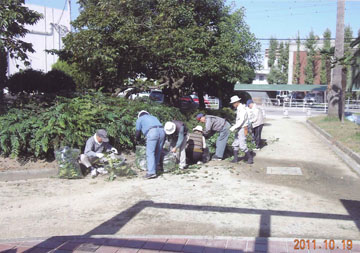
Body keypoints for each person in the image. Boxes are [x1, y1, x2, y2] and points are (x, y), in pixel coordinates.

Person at [136, 110, 165, 179]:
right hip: (162, 131)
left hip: (152, 132)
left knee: (150, 152)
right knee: (158, 151)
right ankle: (155, 169)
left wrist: (137, 140)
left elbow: (138, 132)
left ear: (139, 115)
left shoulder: (140, 119)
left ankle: (151, 172)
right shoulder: (154, 117)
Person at [229, 95, 253, 164]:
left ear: (236, 102)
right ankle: (236, 159)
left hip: (242, 128)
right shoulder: (239, 108)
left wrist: (233, 128)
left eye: (233, 103)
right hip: (239, 128)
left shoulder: (242, 109)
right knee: (235, 143)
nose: (233, 105)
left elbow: (241, 120)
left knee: (242, 145)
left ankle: (250, 158)